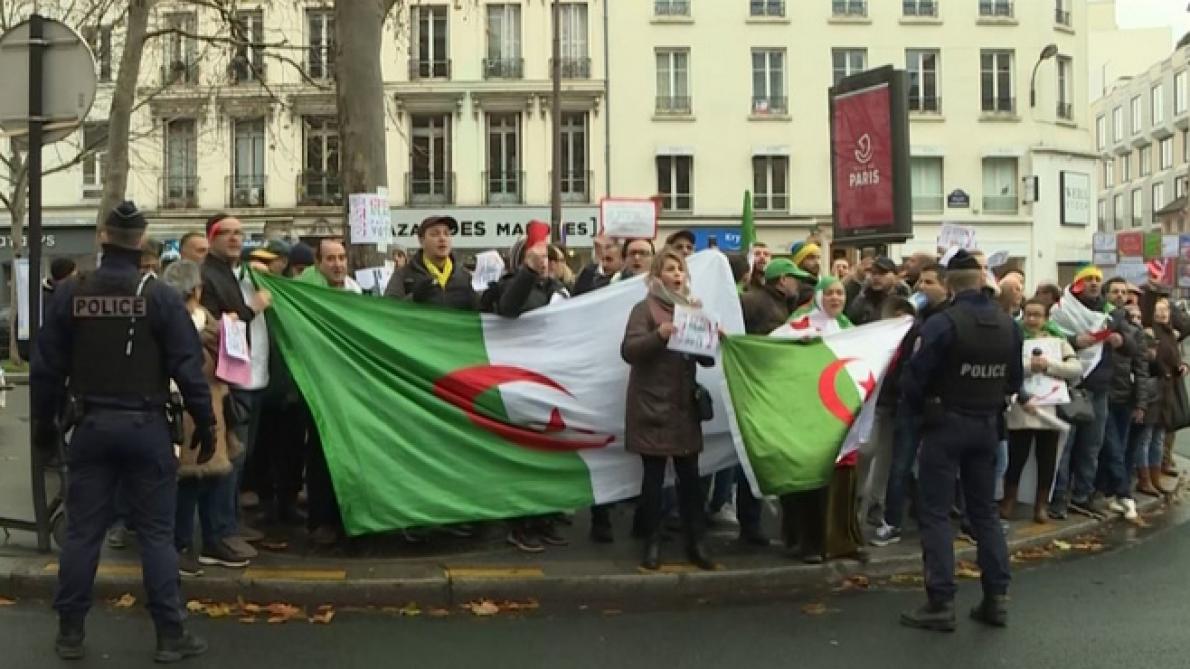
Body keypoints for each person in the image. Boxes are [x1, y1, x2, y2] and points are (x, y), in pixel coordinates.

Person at [31, 201, 213, 661]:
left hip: (91, 426)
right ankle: (170, 634)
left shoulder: (72, 293)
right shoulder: (161, 297)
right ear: (142, 242)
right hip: (146, 426)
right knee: (155, 535)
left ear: (103, 238)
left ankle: (70, 632)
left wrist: (43, 428)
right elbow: (188, 367)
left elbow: (46, 369)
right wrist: (205, 421)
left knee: (82, 534)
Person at [899, 249, 1022, 633]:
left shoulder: (942, 324)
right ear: (982, 281)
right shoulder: (1008, 325)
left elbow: (913, 378)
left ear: (950, 284)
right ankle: (996, 598)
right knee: (984, 514)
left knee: (936, 514)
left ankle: (941, 601)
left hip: (945, 425)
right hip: (987, 425)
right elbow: (1015, 381)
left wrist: (921, 413)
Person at [621, 248, 714, 571]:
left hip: (684, 408)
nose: (677, 275)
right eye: (670, 269)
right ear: (656, 276)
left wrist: (709, 333)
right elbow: (629, 351)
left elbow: (706, 359)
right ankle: (652, 543)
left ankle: (696, 542)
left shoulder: (692, 308)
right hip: (653, 406)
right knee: (653, 481)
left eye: (680, 269)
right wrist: (658, 336)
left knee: (691, 481)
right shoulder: (644, 308)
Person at [160, 261, 245, 574]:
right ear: (197, 289)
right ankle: (181, 545)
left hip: (210, 406)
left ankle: (212, 540)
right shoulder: (185, 324)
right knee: (188, 480)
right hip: (187, 407)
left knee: (213, 476)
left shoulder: (202, 320)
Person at [777, 276, 864, 564]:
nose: (835, 298)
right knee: (809, 480)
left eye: (840, 293)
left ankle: (840, 541)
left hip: (840, 412)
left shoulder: (849, 329)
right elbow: (775, 346)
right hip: (808, 413)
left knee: (841, 479)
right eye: (829, 293)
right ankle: (805, 541)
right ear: (818, 296)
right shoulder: (799, 324)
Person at [873, 262, 951, 547]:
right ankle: (892, 522)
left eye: (929, 282)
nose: (921, 287)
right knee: (900, 465)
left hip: (938, 404)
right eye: (921, 282)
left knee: (936, 467)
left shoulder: (949, 321)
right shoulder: (917, 320)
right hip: (910, 403)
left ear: (946, 286)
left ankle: (932, 519)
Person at [296, 239, 363, 545]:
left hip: (349, 386)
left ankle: (347, 515)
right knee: (321, 451)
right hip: (319, 384)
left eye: (342, 257)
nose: (338, 264)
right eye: (331, 259)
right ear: (318, 263)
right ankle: (321, 519)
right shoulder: (306, 293)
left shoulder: (355, 291)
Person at [1049, 265, 1125, 520]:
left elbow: (1132, 344)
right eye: (1088, 279)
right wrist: (1074, 341)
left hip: (1100, 389)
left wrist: (1121, 341)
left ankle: (1082, 495)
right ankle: (1058, 497)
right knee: (1065, 447)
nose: (1094, 283)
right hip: (1072, 386)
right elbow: (1049, 339)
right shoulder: (1061, 310)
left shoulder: (1110, 313)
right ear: (1078, 283)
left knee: (1092, 446)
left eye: (1097, 279)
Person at [1002, 299, 1085, 523]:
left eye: (1037, 315)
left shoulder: (1058, 341)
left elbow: (1075, 368)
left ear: (1046, 318)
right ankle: (1009, 499)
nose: (1032, 319)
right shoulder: (1014, 338)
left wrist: (1049, 365)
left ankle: (1041, 505)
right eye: (1028, 314)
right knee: (1016, 457)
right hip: (1022, 407)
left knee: (1047, 459)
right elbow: (1007, 368)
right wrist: (1029, 367)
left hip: (1050, 408)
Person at [1096, 277, 1149, 518]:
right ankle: (1124, 494)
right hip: (1101, 393)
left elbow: (1141, 369)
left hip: (1124, 397)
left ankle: (1109, 492)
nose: (1119, 295)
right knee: (1112, 446)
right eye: (1114, 291)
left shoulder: (1135, 331)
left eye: (1123, 292)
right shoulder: (1097, 322)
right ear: (1106, 294)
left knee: (1119, 446)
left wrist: (1141, 403)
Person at [1138, 297, 1186, 495]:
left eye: (1165, 310)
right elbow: (1150, 360)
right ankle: (1144, 479)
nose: (1162, 313)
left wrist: (1181, 366)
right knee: (1146, 437)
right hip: (1154, 389)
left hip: (1167, 390)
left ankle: (1155, 477)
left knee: (1158, 437)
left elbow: (1176, 358)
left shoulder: (1170, 333)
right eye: (1158, 310)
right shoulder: (1149, 332)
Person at [385, 216, 476, 309]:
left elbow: (479, 313)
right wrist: (414, 298)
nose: (442, 238)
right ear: (421, 241)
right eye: (435, 234)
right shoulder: (403, 274)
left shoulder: (465, 277)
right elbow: (387, 311)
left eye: (447, 234)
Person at [845, 256, 904, 326]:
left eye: (882, 273)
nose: (876, 277)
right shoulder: (862, 300)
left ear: (895, 276)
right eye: (873, 273)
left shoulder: (905, 298)